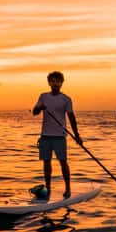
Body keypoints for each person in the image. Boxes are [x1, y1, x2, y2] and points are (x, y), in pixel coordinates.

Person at [31, 70, 82, 199]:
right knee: (46, 163)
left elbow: (71, 117)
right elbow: (34, 112)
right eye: (53, 81)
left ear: (61, 83)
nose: (55, 83)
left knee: (63, 162)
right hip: (45, 136)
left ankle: (68, 189)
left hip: (60, 136)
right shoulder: (43, 96)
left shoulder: (66, 99)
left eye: (57, 81)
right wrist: (40, 107)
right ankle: (47, 189)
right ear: (49, 82)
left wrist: (77, 135)